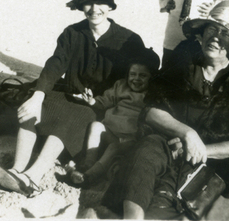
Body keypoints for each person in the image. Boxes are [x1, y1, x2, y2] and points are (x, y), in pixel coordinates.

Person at [0, 0, 146, 197]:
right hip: (68, 94)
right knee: (32, 107)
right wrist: (37, 96)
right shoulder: (72, 33)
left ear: (110, 5)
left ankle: (32, 178)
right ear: (81, 6)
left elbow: (144, 72)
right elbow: (55, 63)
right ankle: (16, 171)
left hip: (99, 107)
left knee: (70, 118)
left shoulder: (129, 40)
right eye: (88, 2)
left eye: (100, 2)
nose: (94, 9)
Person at [101, 0, 229, 219]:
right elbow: (151, 110)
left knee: (166, 202)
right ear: (203, 31)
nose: (216, 37)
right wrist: (187, 133)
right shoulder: (184, 57)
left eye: (225, 33)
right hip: (167, 144)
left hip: (211, 161)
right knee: (144, 156)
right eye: (212, 29)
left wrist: (201, 149)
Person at [68, 48, 160, 185]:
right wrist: (92, 101)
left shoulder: (152, 95)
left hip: (131, 139)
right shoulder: (120, 86)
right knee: (96, 125)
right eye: (132, 74)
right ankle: (88, 163)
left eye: (143, 75)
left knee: (114, 148)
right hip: (110, 132)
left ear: (151, 77)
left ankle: (90, 176)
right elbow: (104, 102)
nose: (136, 79)